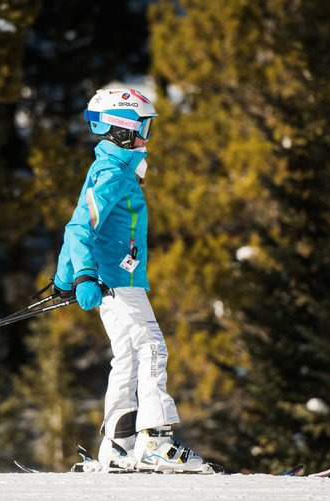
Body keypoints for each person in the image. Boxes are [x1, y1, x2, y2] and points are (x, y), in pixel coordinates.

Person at [53, 88, 211, 473]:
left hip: (115, 280)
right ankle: (157, 442)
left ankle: (118, 447)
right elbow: (79, 227)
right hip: (116, 282)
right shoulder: (111, 173)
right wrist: (84, 275)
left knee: (126, 355)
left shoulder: (116, 170)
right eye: (143, 126)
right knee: (152, 347)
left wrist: (64, 278)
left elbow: (77, 225)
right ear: (122, 129)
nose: (147, 135)